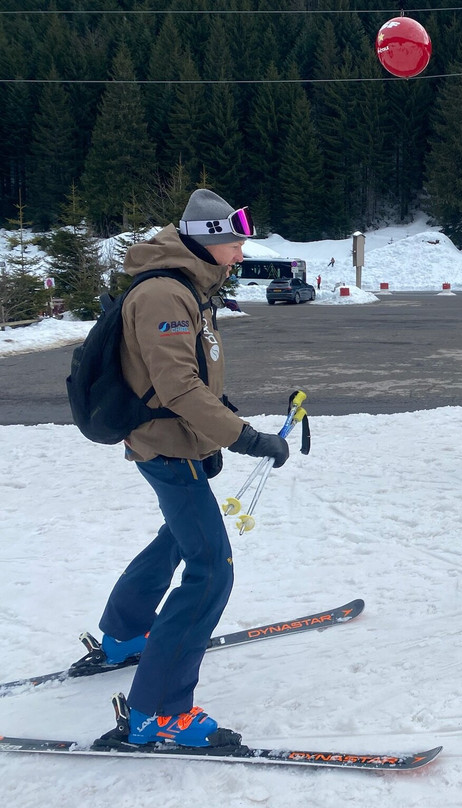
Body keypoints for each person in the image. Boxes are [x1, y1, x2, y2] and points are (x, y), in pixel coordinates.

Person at [96, 189, 290, 748]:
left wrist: (221, 423)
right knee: (211, 570)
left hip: (177, 441)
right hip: (167, 445)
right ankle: (158, 711)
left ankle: (126, 635)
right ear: (208, 241)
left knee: (177, 539)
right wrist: (247, 439)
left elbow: (193, 379)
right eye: (235, 240)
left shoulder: (187, 286)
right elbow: (176, 386)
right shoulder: (164, 294)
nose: (241, 250)